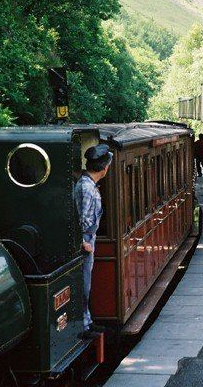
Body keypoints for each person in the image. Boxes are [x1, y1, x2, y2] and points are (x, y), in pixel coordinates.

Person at [74, 144, 113, 338]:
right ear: (104, 168)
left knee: (87, 283)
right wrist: (83, 241)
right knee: (84, 283)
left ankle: (87, 321)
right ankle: (83, 324)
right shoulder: (86, 188)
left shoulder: (89, 185)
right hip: (86, 240)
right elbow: (80, 218)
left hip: (91, 237)